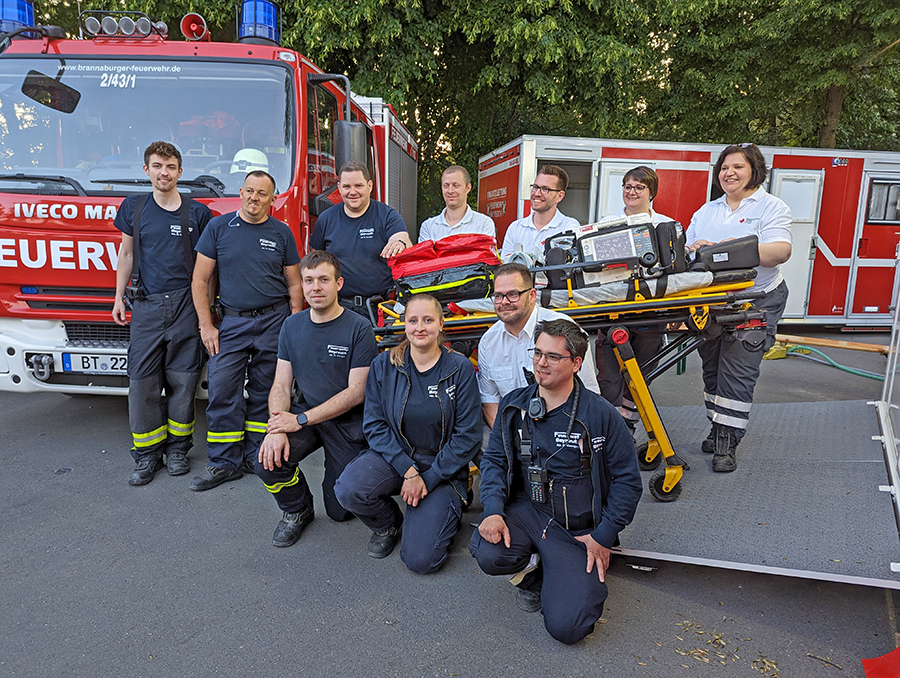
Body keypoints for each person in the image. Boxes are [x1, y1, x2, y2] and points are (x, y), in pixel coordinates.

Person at [470, 319, 642, 645]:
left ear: (576, 363)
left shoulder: (600, 415)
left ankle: (561, 574)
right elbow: (494, 461)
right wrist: (492, 509)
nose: (541, 363)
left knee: (568, 627)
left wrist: (603, 536)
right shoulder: (514, 406)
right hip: (527, 510)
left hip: (579, 530)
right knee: (487, 550)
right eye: (537, 353)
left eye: (552, 357)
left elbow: (628, 482)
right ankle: (535, 576)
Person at [334, 294, 482, 572]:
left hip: (442, 467)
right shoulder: (384, 365)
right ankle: (389, 525)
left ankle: (447, 505)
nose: (420, 327)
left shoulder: (460, 369)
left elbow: (468, 436)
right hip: (396, 456)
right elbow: (375, 426)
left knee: (421, 561)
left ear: (441, 324)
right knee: (348, 489)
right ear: (404, 325)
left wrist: (429, 477)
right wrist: (409, 472)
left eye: (428, 320)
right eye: (413, 320)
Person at [190, 171, 303, 491]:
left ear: (273, 198)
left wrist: (293, 326)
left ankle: (256, 454)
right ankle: (224, 462)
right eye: (250, 191)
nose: (255, 198)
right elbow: (200, 280)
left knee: (266, 392)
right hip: (232, 322)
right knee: (222, 389)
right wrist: (207, 325)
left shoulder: (282, 232)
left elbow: (294, 283)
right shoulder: (219, 227)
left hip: (274, 320)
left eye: (262, 193)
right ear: (241, 192)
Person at [256, 250, 377, 547]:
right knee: (267, 461)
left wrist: (299, 420)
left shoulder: (358, 327)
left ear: (339, 284)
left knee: (340, 510)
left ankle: (338, 478)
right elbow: (281, 385)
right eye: (308, 280)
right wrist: (277, 426)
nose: (315, 288)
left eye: (324, 280)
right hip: (305, 414)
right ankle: (297, 510)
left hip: (347, 422)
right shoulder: (292, 326)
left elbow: (356, 392)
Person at [112, 141, 213, 486]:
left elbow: (206, 272)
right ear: (147, 170)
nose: (163, 173)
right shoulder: (133, 208)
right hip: (145, 304)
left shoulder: (197, 213)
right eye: (157, 166)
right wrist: (116, 298)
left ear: (179, 172)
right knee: (142, 381)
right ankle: (146, 456)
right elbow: (126, 256)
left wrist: (206, 317)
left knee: (183, 381)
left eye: (170, 167)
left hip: (185, 303)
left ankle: (177, 451)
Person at [686, 143, 792, 472]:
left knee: (738, 369)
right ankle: (719, 425)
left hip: (756, 300)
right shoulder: (707, 211)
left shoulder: (771, 207)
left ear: (754, 171)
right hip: (714, 303)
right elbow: (688, 250)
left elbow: (779, 252)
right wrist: (694, 249)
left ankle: (727, 440)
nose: (729, 173)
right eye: (724, 168)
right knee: (713, 370)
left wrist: (726, 251)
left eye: (738, 167)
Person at [597, 166, 675, 433]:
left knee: (640, 377)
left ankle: (626, 428)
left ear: (651, 192)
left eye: (639, 187)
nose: (632, 192)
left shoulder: (665, 225)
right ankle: (609, 432)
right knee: (608, 378)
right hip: (613, 312)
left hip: (651, 315)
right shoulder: (606, 224)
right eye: (628, 186)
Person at [477, 263, 600, 430]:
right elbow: (490, 400)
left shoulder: (563, 329)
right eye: (498, 296)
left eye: (513, 294)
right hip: (512, 438)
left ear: (532, 295)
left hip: (563, 434)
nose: (504, 302)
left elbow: (589, 394)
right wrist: (507, 443)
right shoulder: (488, 342)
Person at [309, 162, 413, 315]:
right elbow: (314, 262)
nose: (353, 192)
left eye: (358, 186)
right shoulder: (326, 219)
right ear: (339, 188)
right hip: (338, 307)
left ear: (369, 186)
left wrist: (399, 243)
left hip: (380, 308)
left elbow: (403, 239)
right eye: (346, 187)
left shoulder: (387, 215)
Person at [500, 165, 579, 261]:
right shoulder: (515, 227)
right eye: (535, 187)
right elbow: (505, 266)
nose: (537, 193)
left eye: (545, 189)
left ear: (560, 196)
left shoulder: (568, 227)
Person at [418, 165, 495, 243]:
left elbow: (485, 255)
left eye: (456, 185)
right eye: (446, 186)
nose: (450, 191)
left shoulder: (484, 223)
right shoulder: (428, 226)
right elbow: (424, 255)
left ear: (468, 188)